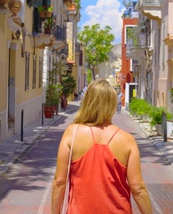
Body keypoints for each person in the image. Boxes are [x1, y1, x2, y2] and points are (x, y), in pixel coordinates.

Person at [51, 79, 152, 214]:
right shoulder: (127, 140)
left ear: (87, 101)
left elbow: (59, 182)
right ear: (111, 104)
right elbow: (138, 188)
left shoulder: (72, 133)